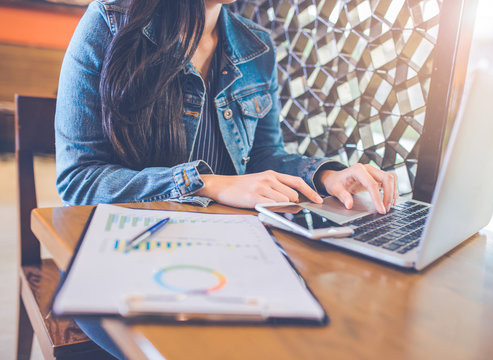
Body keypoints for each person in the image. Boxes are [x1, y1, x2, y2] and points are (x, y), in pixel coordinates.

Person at [55, 0, 398, 357]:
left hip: (230, 253)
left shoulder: (256, 46)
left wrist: (327, 175)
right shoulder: (110, 22)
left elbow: (265, 157)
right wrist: (205, 182)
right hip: (127, 254)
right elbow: (79, 181)